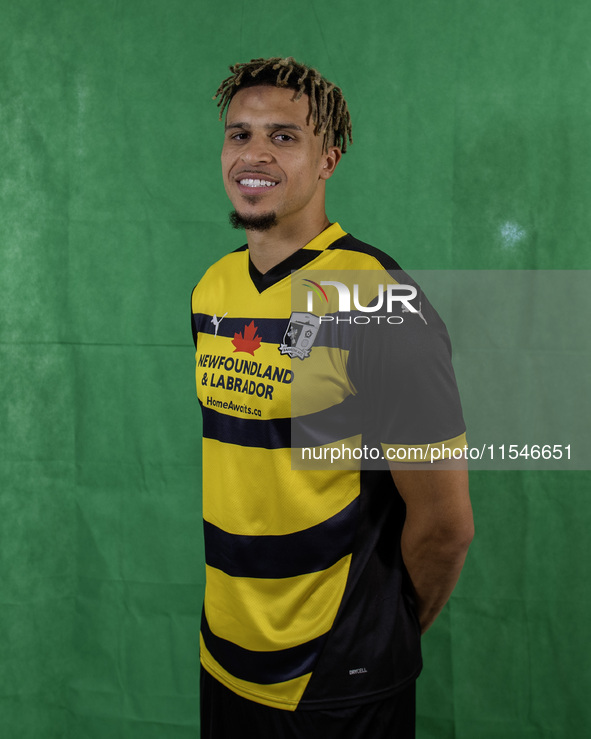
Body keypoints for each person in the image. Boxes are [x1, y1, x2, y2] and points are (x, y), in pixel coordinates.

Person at [191, 56, 474, 738]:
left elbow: (444, 522)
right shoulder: (213, 286)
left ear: (328, 160)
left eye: (283, 136)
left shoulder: (380, 299)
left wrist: (384, 626)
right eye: (239, 134)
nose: (253, 152)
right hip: (225, 654)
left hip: (336, 674)